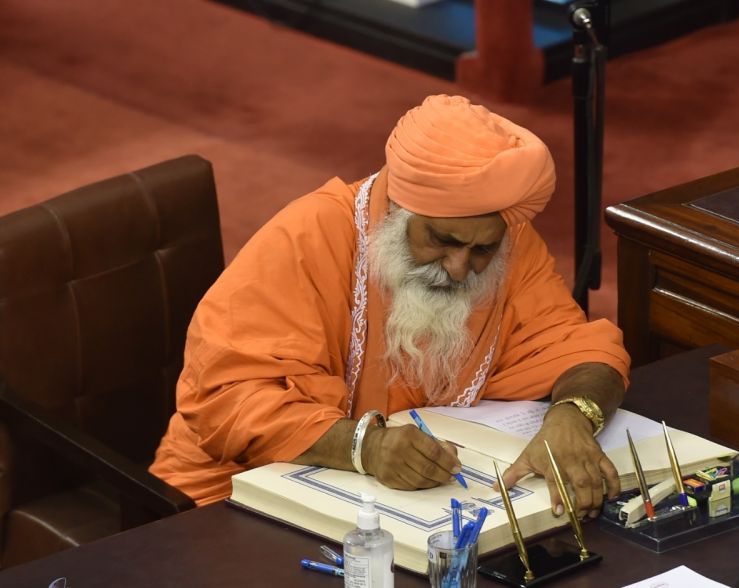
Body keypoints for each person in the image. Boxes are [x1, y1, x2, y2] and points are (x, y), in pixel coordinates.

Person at [150, 94, 631, 520]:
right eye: (442, 241)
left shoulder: (509, 242)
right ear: (399, 211)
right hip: (236, 500)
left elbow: (575, 346)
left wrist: (572, 416)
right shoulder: (308, 235)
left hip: (403, 506)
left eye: (481, 251)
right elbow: (228, 398)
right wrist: (367, 447)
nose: (460, 268)